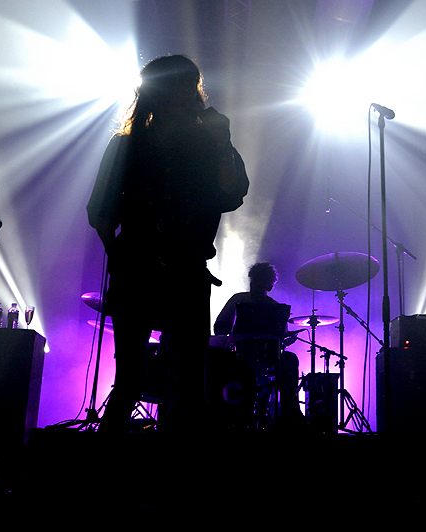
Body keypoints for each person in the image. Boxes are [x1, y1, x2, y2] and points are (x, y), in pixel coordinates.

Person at [87, 54, 249, 432]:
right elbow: (101, 212)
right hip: (140, 273)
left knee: (191, 387)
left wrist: (222, 142)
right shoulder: (126, 146)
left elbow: (232, 192)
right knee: (131, 384)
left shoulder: (209, 146)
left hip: (184, 272)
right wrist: (122, 256)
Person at [214, 262, 302, 424]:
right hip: (237, 355)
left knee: (290, 360)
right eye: (254, 281)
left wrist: (285, 341)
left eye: (259, 282)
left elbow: (281, 338)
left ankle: (289, 413)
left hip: (266, 356)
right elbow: (218, 328)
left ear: (268, 285)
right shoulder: (238, 300)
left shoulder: (274, 306)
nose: (255, 285)